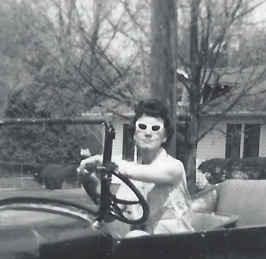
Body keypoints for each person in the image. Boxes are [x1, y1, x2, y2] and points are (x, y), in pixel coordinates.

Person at [78, 99, 193, 235]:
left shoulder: (174, 168)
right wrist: (90, 181)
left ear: (164, 137)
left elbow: (131, 171)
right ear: (134, 134)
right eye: (142, 127)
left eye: (155, 128)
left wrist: (100, 160)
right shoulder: (130, 176)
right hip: (144, 247)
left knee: (134, 236)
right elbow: (111, 214)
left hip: (178, 247)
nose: (148, 133)